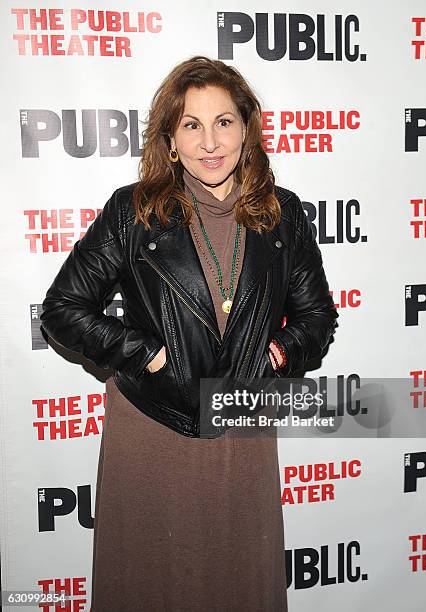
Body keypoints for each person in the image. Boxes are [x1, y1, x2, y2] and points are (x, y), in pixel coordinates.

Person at [40, 55, 339, 611]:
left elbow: (317, 315)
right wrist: (146, 354)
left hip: (241, 428)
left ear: (247, 129)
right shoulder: (133, 212)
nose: (210, 142)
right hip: (153, 431)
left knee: (241, 580)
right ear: (170, 140)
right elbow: (62, 308)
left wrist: (279, 354)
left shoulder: (284, 215)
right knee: (153, 582)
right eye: (191, 125)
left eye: (224, 122)